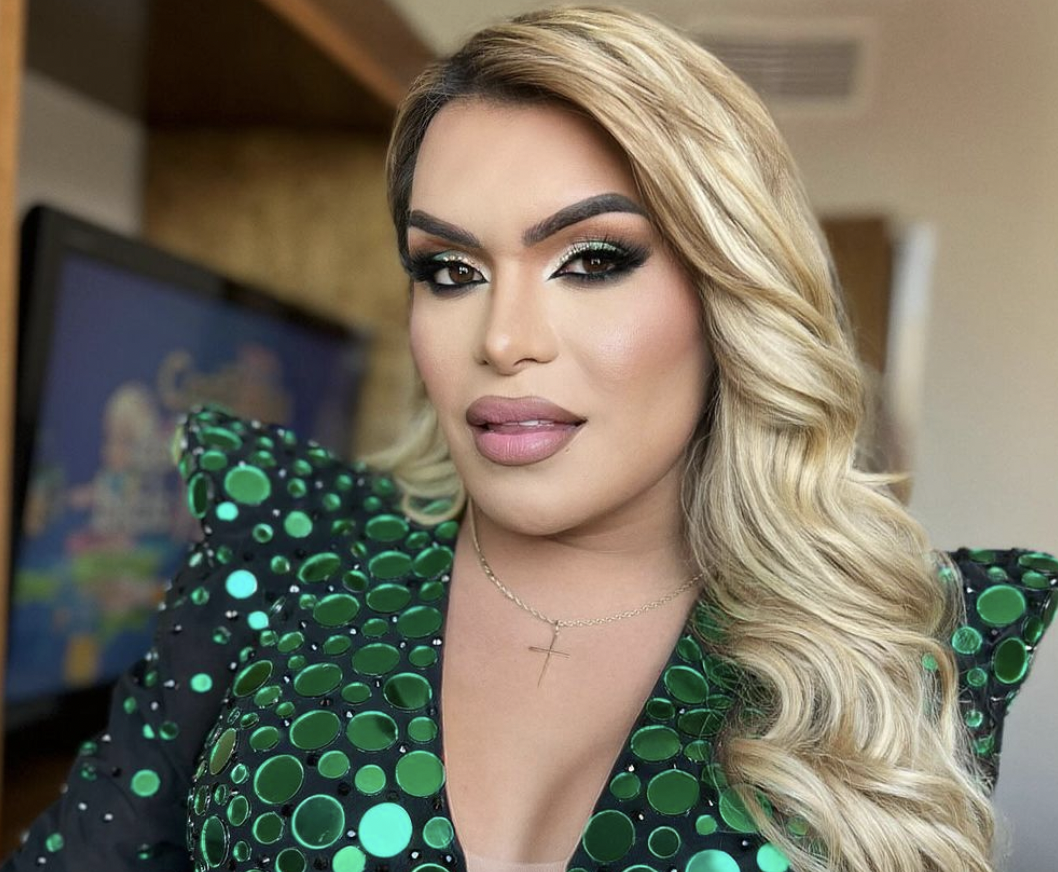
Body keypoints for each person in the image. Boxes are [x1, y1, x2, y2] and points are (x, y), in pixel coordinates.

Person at [3, 6, 1054, 872]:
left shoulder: (894, 644)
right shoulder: (288, 552)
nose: (502, 340)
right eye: (449, 270)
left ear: (728, 292)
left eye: (592, 259)